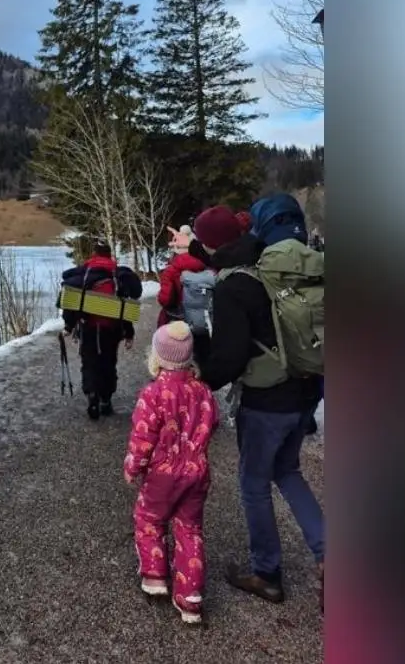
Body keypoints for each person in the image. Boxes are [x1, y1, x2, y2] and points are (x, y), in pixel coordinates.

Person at [191, 196, 325, 610]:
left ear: (211, 246)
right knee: (287, 470)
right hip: (306, 389)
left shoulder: (233, 285)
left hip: (267, 401)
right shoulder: (272, 267)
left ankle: (266, 574)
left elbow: (230, 358)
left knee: (253, 484)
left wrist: (200, 380)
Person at [124, 321, 218, 625]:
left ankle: (155, 577)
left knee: (149, 518)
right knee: (189, 528)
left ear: (157, 356)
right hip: (196, 472)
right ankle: (190, 597)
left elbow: (142, 438)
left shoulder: (153, 394)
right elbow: (213, 422)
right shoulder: (203, 391)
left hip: (163, 475)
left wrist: (133, 466)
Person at [62, 239, 135, 419]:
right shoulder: (117, 275)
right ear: (109, 254)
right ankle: (106, 400)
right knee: (108, 362)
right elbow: (125, 307)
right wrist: (129, 333)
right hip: (112, 329)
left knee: (89, 362)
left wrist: (69, 325)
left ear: (94, 254)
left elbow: (73, 302)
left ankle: (92, 395)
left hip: (88, 327)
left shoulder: (84, 273)